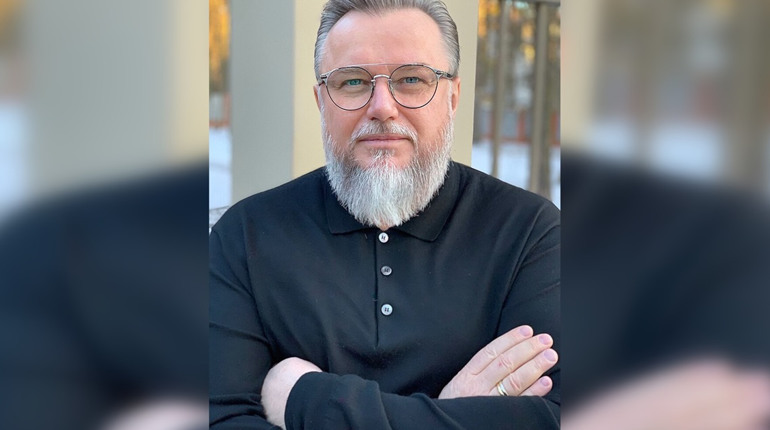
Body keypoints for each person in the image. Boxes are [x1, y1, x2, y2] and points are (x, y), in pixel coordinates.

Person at [209, 1, 560, 428]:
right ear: (321, 101)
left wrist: (305, 398)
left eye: (411, 79)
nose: (382, 107)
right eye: (353, 82)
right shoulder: (245, 238)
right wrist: (454, 412)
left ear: (453, 97)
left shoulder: (530, 235)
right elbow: (221, 418)